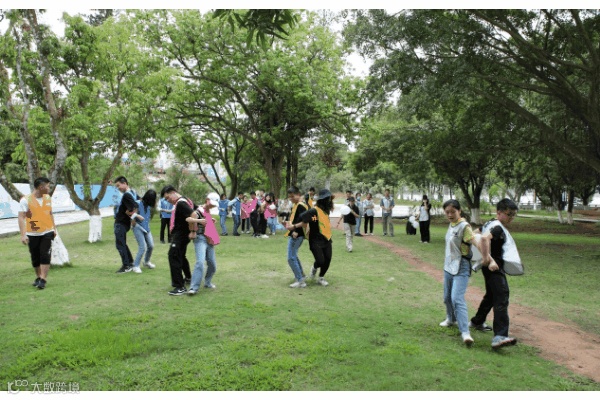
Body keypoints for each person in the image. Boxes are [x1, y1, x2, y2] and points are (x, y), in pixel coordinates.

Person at [470, 198, 520, 349]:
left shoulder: (490, 223)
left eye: (513, 215)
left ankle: (477, 321)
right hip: (494, 267)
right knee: (502, 296)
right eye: (509, 214)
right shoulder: (497, 227)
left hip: (490, 266)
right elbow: (484, 238)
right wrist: (487, 259)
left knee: (491, 295)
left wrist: (483, 256)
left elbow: (474, 234)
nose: (511, 217)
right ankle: (500, 336)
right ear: (499, 212)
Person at [438, 199, 479, 347]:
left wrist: (488, 258)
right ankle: (451, 319)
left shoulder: (464, 226)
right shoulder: (452, 224)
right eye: (447, 212)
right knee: (447, 297)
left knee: (457, 298)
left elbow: (475, 242)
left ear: (459, 211)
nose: (450, 215)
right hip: (448, 266)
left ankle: (465, 332)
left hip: (462, 266)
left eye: (453, 212)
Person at [18, 177, 58, 290]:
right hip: (32, 233)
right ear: (41, 187)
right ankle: (39, 277)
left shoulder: (48, 198)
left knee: (45, 255)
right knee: (35, 257)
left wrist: (54, 228)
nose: (49, 188)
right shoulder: (25, 200)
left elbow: (50, 213)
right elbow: (21, 217)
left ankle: (43, 279)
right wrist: (23, 234)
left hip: (47, 231)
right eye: (47, 186)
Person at [162, 185, 194, 296]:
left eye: (167, 197)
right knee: (181, 256)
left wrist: (193, 231)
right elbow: (196, 210)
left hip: (181, 235)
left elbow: (193, 214)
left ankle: (179, 286)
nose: (168, 200)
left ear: (173, 192)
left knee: (173, 256)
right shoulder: (185, 200)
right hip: (182, 235)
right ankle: (188, 277)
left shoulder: (181, 203)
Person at [186, 193, 220, 295]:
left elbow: (205, 221)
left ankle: (207, 282)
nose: (213, 206)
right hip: (200, 238)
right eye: (212, 204)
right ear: (207, 200)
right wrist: (198, 221)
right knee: (200, 262)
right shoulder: (198, 211)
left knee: (212, 265)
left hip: (209, 239)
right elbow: (188, 219)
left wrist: (210, 220)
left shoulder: (207, 211)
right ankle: (193, 288)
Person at [300, 189, 335, 286]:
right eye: (327, 199)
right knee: (320, 261)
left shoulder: (326, 210)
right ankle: (314, 267)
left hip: (327, 238)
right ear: (322, 200)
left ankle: (321, 278)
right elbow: (302, 217)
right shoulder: (313, 211)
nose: (329, 201)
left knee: (328, 259)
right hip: (315, 240)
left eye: (329, 199)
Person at [284, 186, 308, 288]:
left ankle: (300, 281)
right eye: (289, 197)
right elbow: (296, 219)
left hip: (297, 235)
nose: (291, 199)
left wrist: (295, 229)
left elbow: (305, 222)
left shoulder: (301, 206)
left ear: (298, 194)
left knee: (291, 258)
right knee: (294, 256)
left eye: (292, 196)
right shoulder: (296, 205)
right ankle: (301, 275)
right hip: (294, 233)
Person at [113, 176, 138, 273]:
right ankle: (130, 262)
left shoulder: (127, 195)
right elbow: (135, 205)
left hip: (121, 223)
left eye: (118, 185)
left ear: (124, 183)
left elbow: (132, 208)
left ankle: (126, 266)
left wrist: (132, 218)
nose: (118, 188)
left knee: (120, 245)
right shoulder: (132, 193)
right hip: (123, 223)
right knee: (122, 243)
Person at [131, 189, 157, 273]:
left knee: (151, 246)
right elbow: (132, 214)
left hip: (146, 227)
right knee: (142, 247)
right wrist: (134, 224)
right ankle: (136, 266)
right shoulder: (137, 203)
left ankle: (146, 262)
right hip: (138, 227)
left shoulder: (148, 206)